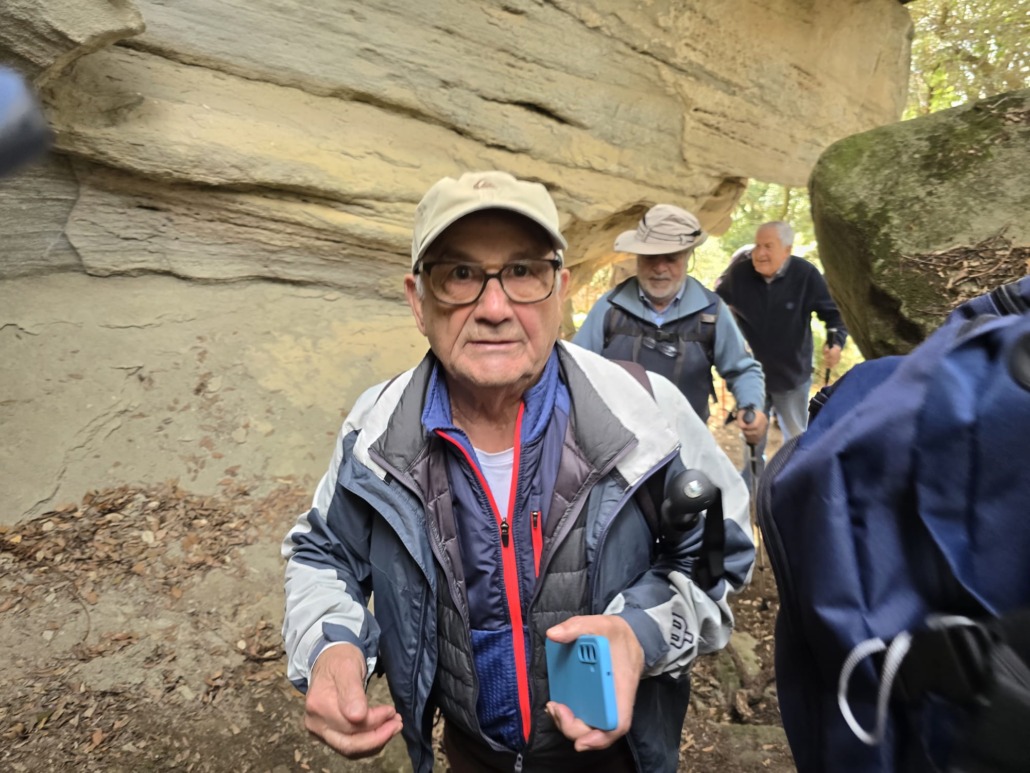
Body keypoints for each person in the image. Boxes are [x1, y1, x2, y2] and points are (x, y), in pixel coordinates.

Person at [281, 171, 755, 773]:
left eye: (524, 271)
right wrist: (330, 646)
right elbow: (322, 553)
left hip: (618, 758)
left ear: (562, 289)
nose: (494, 308)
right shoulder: (376, 434)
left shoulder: (646, 414)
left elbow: (722, 562)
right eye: (460, 274)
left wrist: (641, 633)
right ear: (417, 300)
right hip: (471, 754)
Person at [572, 204, 767, 445]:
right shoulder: (610, 308)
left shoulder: (711, 312)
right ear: (638, 258)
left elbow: (743, 369)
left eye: (671, 258)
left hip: (687, 446)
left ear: (687, 257)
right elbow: (575, 368)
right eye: (650, 257)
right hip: (618, 447)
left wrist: (751, 404)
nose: (660, 267)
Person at [715, 221, 848, 481]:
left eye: (768, 246)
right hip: (751, 376)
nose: (759, 253)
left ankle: (794, 482)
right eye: (757, 246)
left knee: (796, 435)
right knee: (751, 437)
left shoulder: (806, 275)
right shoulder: (740, 274)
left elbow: (833, 314)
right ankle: (752, 487)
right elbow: (715, 305)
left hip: (792, 375)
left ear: (787, 250)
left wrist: (836, 342)